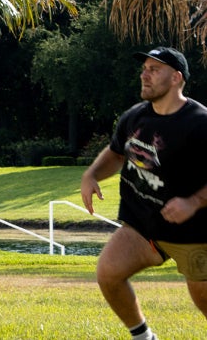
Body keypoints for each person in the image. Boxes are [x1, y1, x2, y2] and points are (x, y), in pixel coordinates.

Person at [81, 46, 207, 340]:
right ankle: (144, 338)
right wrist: (92, 174)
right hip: (143, 227)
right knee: (109, 273)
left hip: (194, 233)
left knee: (203, 299)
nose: (144, 75)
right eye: (144, 69)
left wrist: (194, 202)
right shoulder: (135, 116)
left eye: (154, 70)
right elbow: (116, 153)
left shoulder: (200, 123)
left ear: (176, 78)